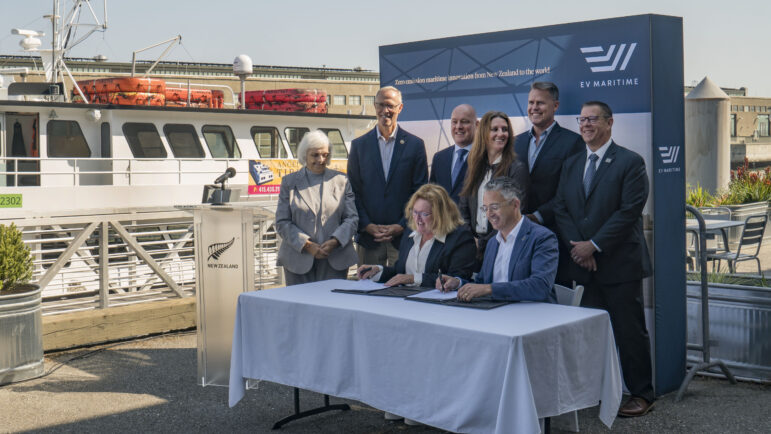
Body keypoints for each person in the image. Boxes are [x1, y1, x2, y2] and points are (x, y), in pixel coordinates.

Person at [553, 101, 655, 417]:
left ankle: (642, 393)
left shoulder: (630, 162)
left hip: (619, 265)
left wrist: (594, 246)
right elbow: (561, 207)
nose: (585, 124)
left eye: (592, 119)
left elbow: (629, 211)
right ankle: (594, 392)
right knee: (589, 334)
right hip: (583, 265)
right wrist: (579, 248)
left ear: (609, 123)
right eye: (582, 119)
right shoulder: (572, 163)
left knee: (629, 332)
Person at [438, 177, 557, 303]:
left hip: (533, 312)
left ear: (515, 204)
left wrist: (490, 289)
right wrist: (458, 283)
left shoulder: (542, 238)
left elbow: (540, 286)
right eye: (485, 208)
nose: (489, 214)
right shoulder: (493, 242)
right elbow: (482, 284)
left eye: (494, 207)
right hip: (496, 311)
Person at [347, 86, 428, 267]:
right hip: (369, 239)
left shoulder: (415, 145)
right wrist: (366, 225)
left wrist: (402, 225)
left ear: (400, 108)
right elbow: (353, 191)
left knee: (402, 284)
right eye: (381, 105)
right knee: (367, 284)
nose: (385, 110)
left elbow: (420, 192)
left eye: (390, 105)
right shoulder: (359, 146)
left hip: (403, 238)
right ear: (375, 106)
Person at [514, 82, 584, 285]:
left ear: (555, 106)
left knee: (552, 294)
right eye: (531, 102)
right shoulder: (515, 142)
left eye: (540, 103)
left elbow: (571, 191)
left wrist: (537, 216)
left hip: (554, 235)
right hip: (518, 235)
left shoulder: (573, 142)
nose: (534, 107)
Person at [275, 130, 358, 285]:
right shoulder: (289, 182)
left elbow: (351, 218)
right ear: (304, 155)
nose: (321, 160)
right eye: (315, 155)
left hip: (335, 259)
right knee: (300, 301)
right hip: (297, 260)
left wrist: (335, 241)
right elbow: (282, 222)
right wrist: (307, 245)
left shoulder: (342, 181)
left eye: (325, 155)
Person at [357, 183, 476, 287]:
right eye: (414, 212)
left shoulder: (460, 238)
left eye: (424, 214)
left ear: (440, 215)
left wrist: (414, 279)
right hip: (405, 300)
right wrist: (378, 270)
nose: (417, 219)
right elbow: (400, 272)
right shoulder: (410, 233)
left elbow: (455, 279)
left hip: (437, 303)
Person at [458, 111, 530, 265]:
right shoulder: (473, 167)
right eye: (495, 129)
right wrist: (469, 240)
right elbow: (463, 208)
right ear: (484, 133)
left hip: (501, 248)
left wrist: (483, 243)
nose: (501, 134)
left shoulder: (517, 169)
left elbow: (513, 215)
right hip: (471, 249)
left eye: (505, 129)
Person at [428, 104, 477, 205]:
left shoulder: (485, 157)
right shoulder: (439, 158)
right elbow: (432, 196)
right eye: (454, 122)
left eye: (464, 122)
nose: (458, 127)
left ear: (476, 125)